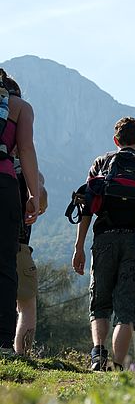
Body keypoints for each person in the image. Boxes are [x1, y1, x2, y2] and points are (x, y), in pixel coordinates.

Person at [72, 117, 135, 371]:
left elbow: (87, 208)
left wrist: (79, 246)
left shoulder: (101, 163)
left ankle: (97, 357)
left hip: (104, 239)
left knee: (100, 302)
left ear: (116, 140)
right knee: (126, 310)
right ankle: (116, 368)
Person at [0, 69, 39, 356]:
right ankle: (3, 343)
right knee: (4, 264)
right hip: (4, 186)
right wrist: (33, 195)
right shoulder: (20, 107)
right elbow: (25, 148)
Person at [14, 155, 48, 355]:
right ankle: (22, 355)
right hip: (18, 245)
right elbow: (41, 200)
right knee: (26, 305)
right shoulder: (25, 173)